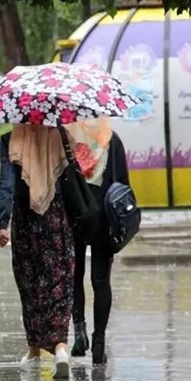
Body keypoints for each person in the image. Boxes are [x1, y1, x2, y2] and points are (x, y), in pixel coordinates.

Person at [0, 124, 75, 379]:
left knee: (29, 282)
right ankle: (61, 348)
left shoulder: (11, 139)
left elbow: (6, 182)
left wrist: (2, 223)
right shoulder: (60, 135)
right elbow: (74, 175)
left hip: (24, 218)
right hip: (57, 215)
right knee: (59, 280)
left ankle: (34, 350)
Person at [67, 118, 130, 365]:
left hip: (75, 215)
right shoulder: (112, 140)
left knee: (75, 277)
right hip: (105, 218)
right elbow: (123, 185)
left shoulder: (68, 140)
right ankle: (99, 342)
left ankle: (79, 332)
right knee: (101, 281)